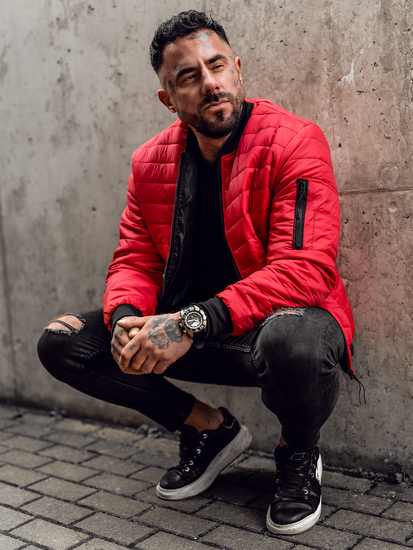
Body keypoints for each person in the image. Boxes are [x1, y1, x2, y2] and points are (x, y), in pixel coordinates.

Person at [38, 10, 356, 536]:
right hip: (189, 331)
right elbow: (135, 259)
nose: (210, 84)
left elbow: (305, 269)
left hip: (268, 329)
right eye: (188, 76)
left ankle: (298, 452)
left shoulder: (294, 141)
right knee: (63, 343)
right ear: (168, 98)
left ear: (238, 68)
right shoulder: (150, 162)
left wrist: (190, 322)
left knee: (296, 343)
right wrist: (126, 319)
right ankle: (208, 430)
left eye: (217, 66)